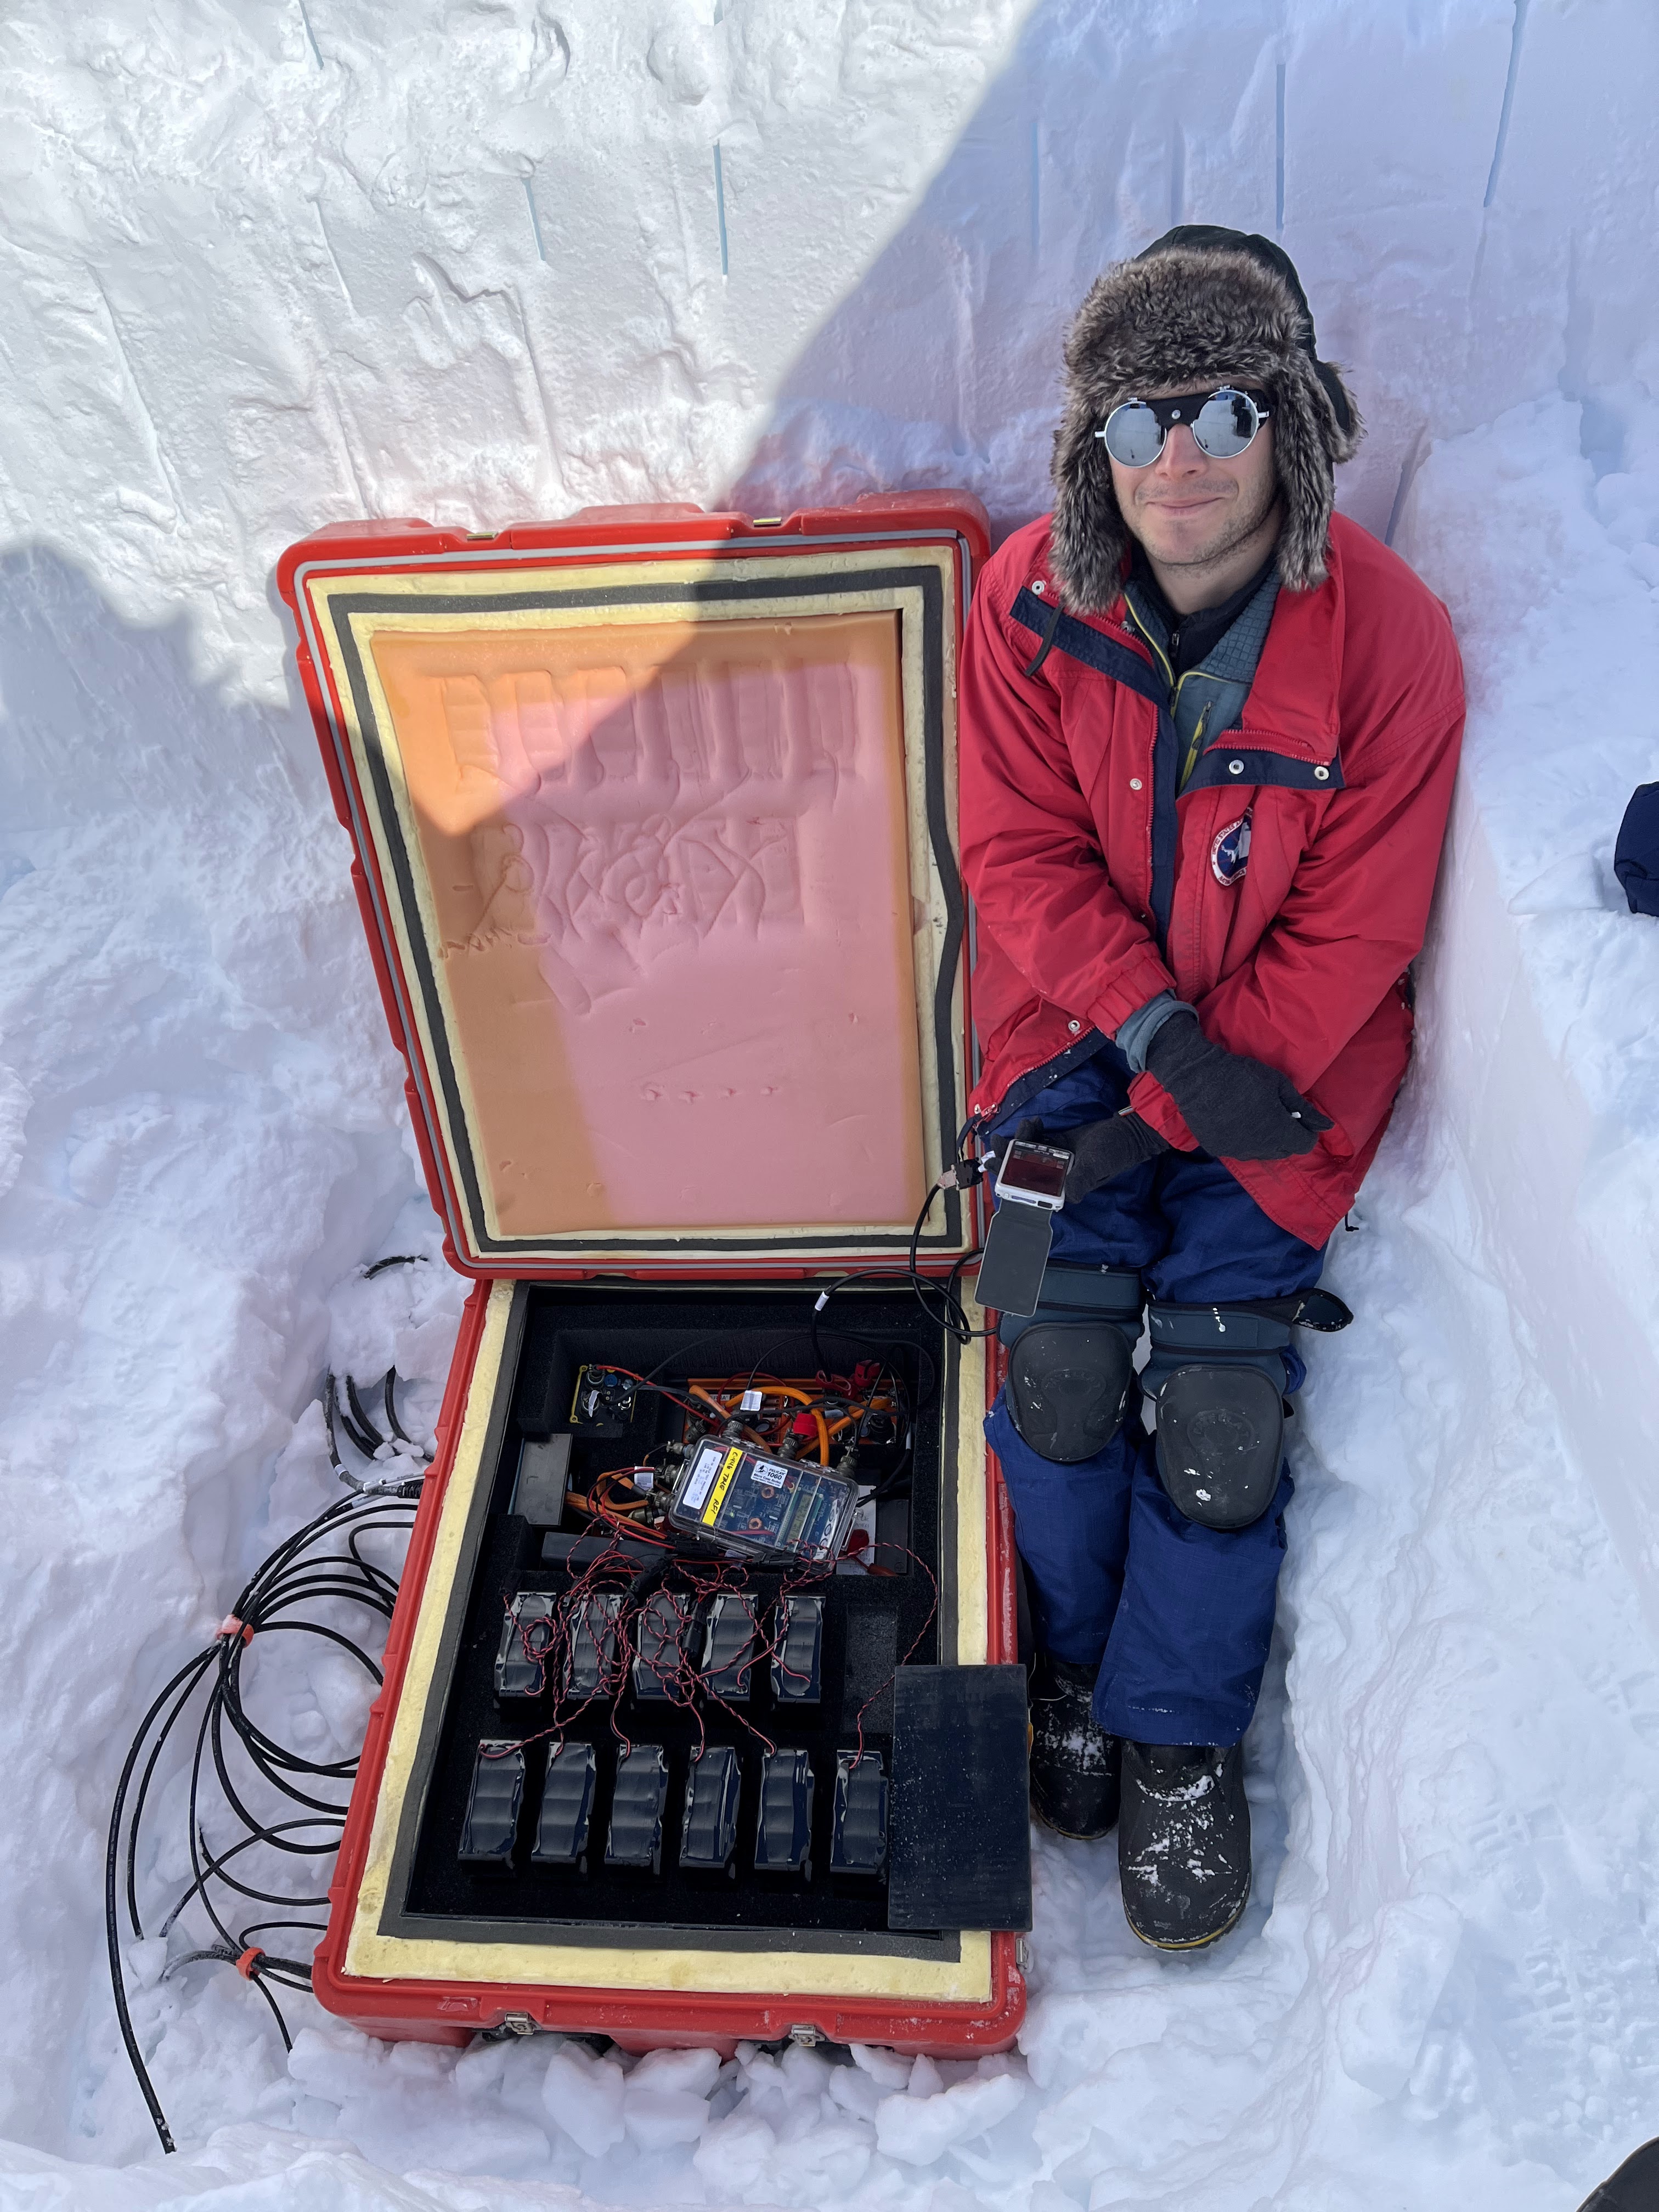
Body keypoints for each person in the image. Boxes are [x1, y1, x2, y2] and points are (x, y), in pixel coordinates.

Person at [958, 226, 1465, 1950]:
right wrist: (1146, 1056)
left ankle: (1180, 1739)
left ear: (1297, 426)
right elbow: (1016, 857)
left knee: (1223, 1410)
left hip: (1288, 1067)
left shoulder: (1390, 642)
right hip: (1079, 1037)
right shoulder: (1029, 599)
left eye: (1224, 406)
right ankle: (1084, 1674)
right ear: (1093, 447)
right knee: (1068, 1365)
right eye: (1138, 415)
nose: (1178, 453)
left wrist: (1190, 1095)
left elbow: (1358, 929)